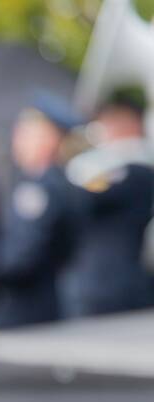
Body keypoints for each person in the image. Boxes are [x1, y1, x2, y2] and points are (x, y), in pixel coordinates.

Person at [0, 91, 84, 329]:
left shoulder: (40, 189)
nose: (17, 140)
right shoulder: (59, 182)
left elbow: (17, 258)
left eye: (26, 133)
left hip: (27, 308)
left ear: (49, 139)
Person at [61, 90, 154, 317]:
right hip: (112, 282)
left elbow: (83, 199)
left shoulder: (133, 169)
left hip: (108, 286)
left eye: (110, 121)